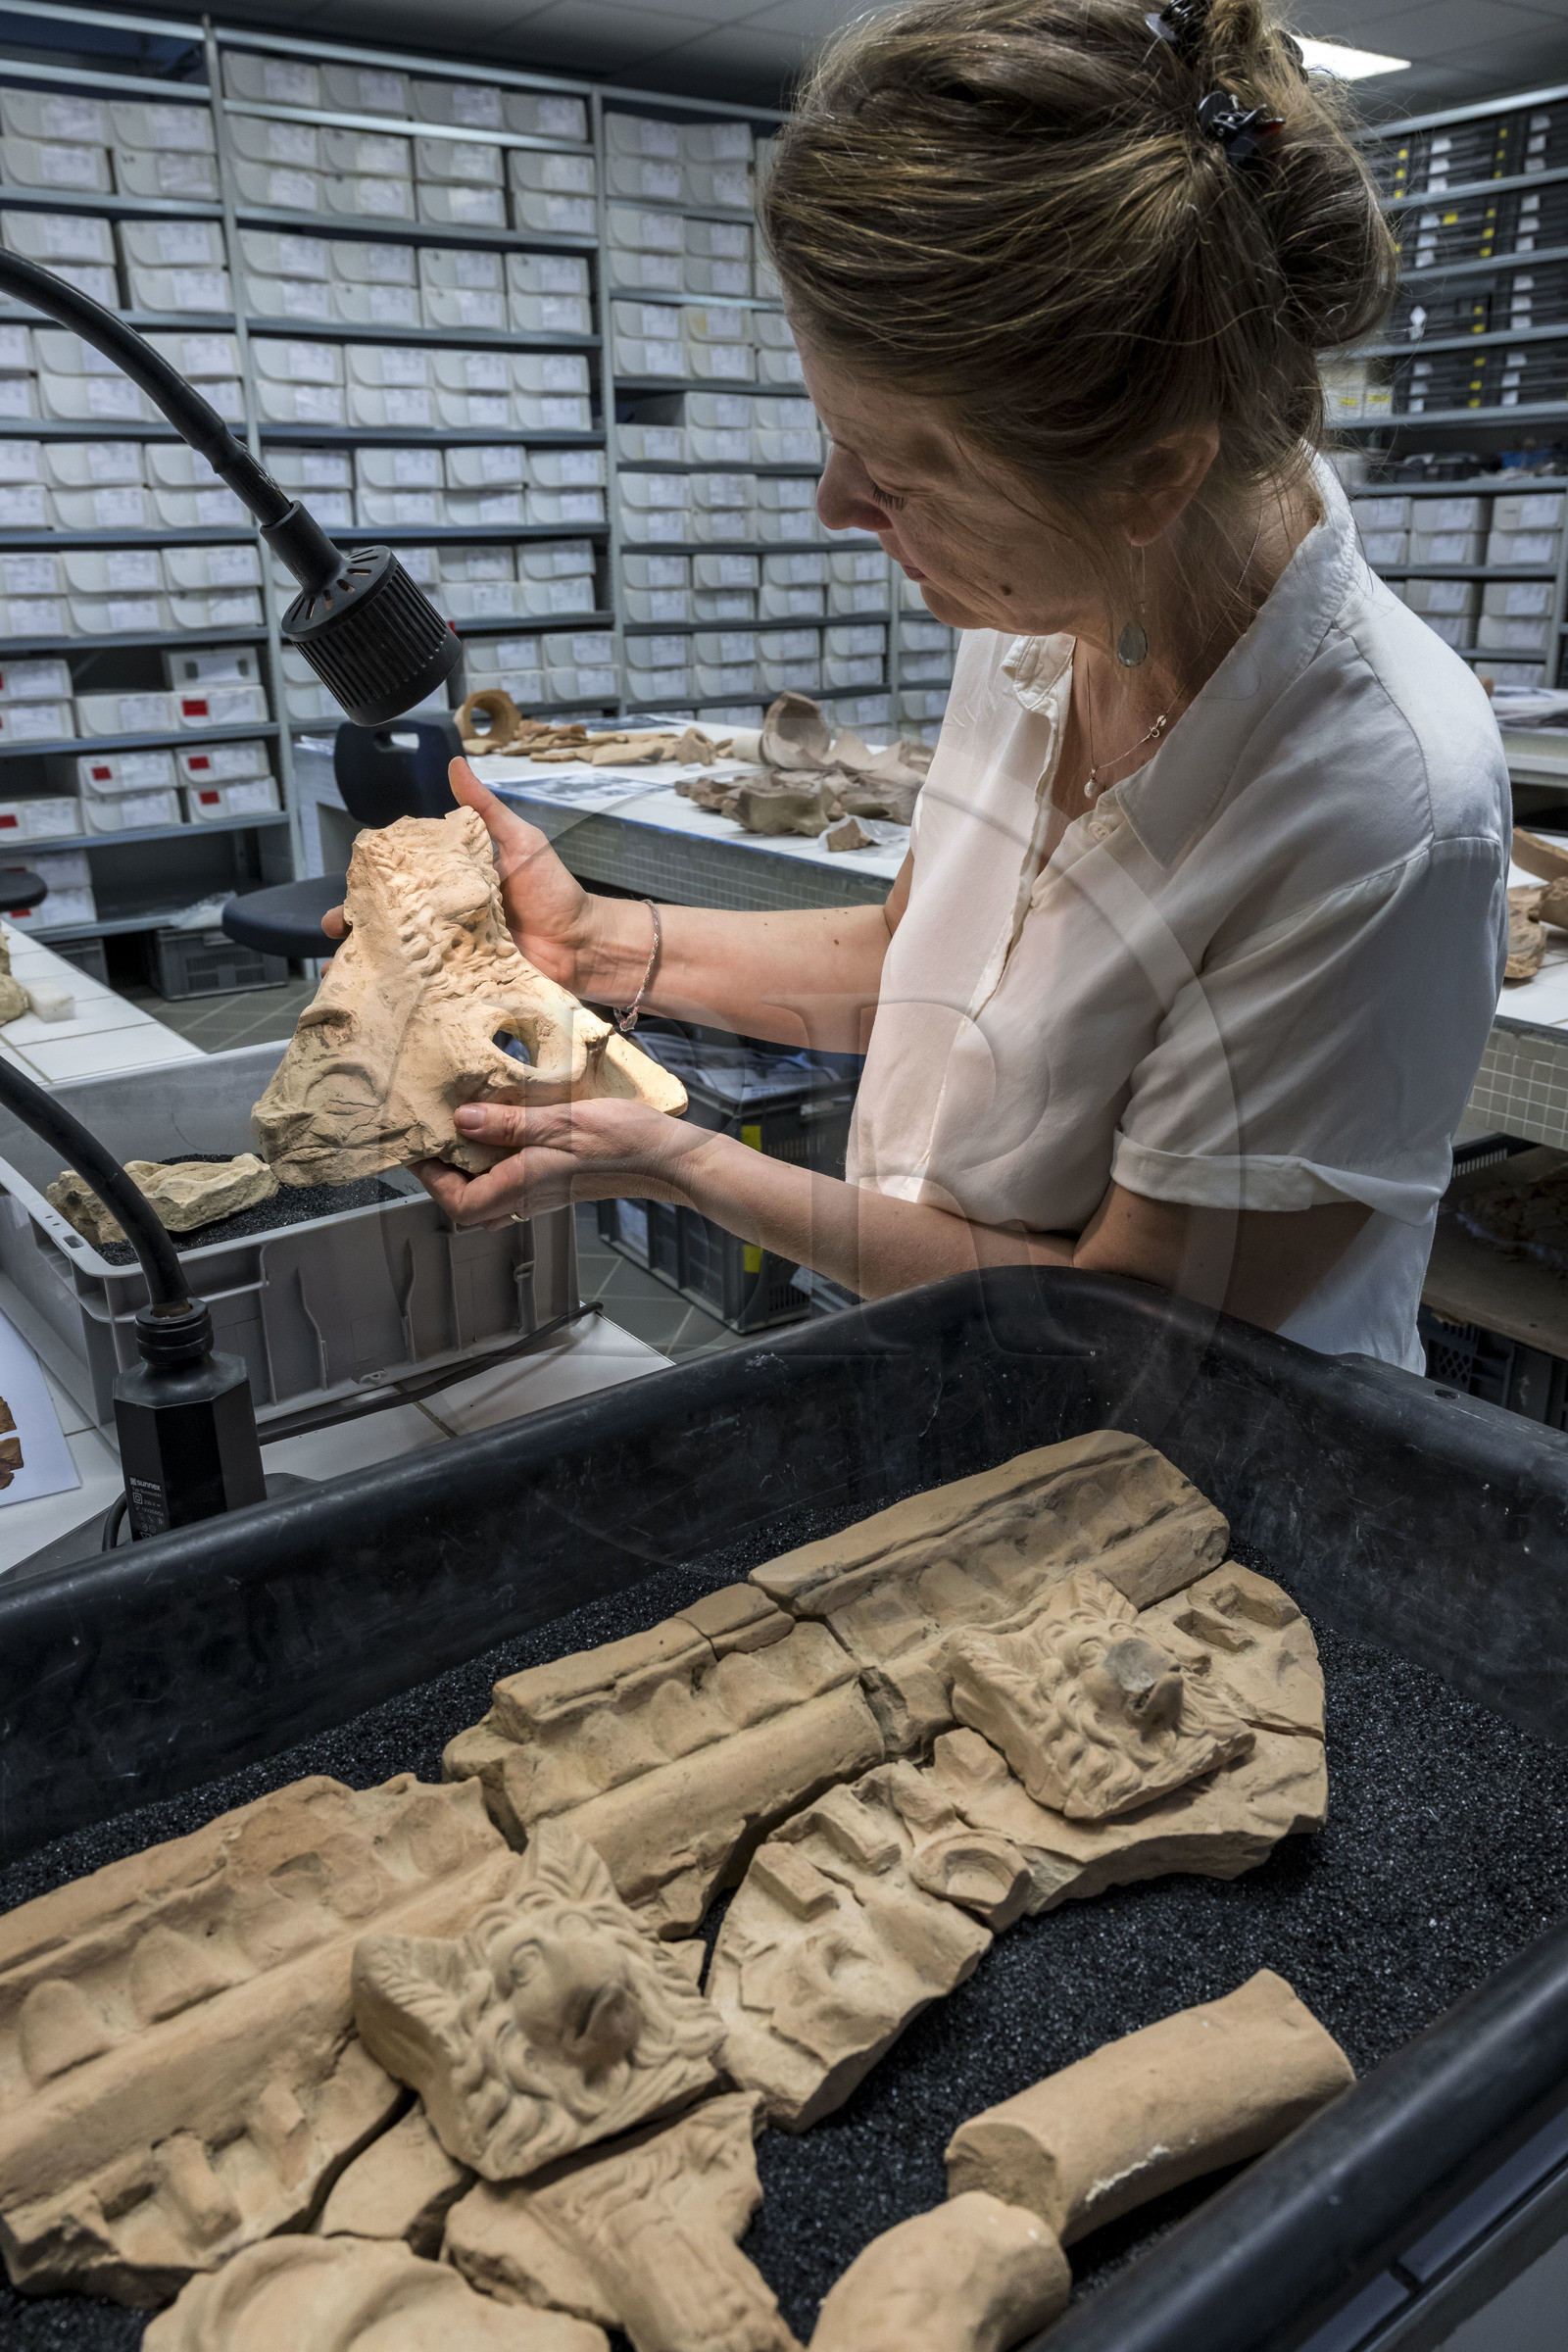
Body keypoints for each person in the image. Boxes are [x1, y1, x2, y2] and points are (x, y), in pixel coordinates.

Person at [389, 0, 1510, 1369]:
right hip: (957, 1372)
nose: (832, 504)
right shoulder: (1056, 599)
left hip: (1194, 1471)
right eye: (836, 439)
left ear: (1150, 476)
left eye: (899, 475)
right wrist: (596, 944)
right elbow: (925, 962)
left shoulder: (1381, 811)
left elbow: (1132, 1324)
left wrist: (679, 1163)